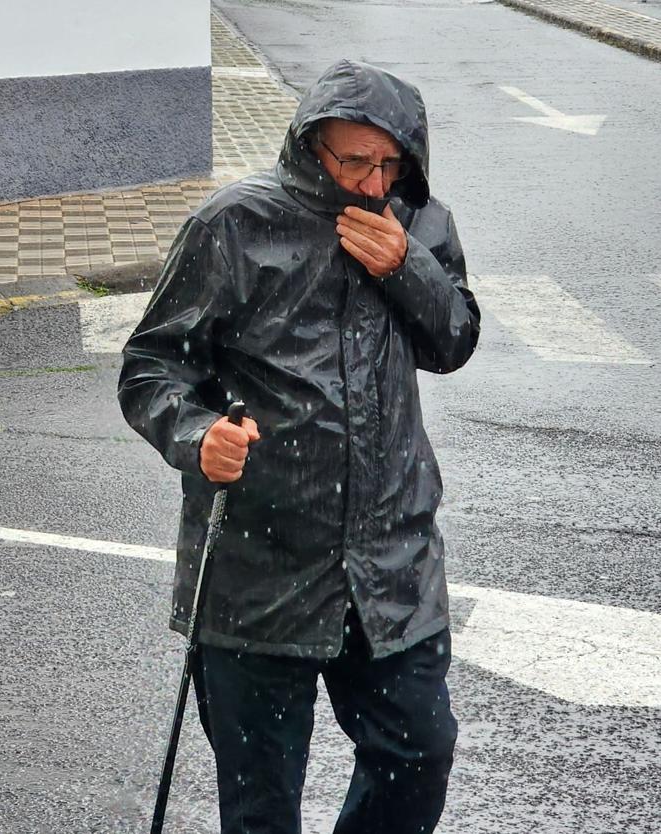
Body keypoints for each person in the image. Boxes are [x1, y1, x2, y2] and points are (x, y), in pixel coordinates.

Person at [118, 59, 480, 834]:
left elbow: (452, 341)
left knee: (419, 753)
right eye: (355, 160)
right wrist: (195, 434)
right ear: (311, 145)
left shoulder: (419, 220)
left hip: (390, 564)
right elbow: (151, 365)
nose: (373, 182)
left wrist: (405, 267)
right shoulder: (235, 225)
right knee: (260, 806)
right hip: (260, 567)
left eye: (391, 162)